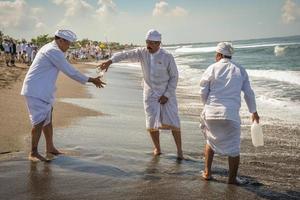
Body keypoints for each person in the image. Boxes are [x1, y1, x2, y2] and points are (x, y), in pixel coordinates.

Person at [21, 30, 105, 162]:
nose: (69, 47)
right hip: (36, 90)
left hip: (42, 89)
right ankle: (33, 152)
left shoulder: (51, 48)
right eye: (68, 44)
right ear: (60, 40)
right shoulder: (53, 51)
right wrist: (91, 80)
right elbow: (70, 71)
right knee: (38, 121)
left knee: (47, 118)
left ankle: (50, 148)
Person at [100, 29, 183, 159]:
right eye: (147, 42)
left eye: (151, 43)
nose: (148, 45)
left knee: (174, 121)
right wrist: (110, 61)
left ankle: (180, 151)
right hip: (149, 92)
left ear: (158, 43)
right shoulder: (142, 52)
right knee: (151, 122)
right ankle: (158, 148)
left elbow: (174, 76)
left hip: (167, 92)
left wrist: (167, 94)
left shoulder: (167, 56)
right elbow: (125, 54)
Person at [199, 42, 260, 184]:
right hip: (230, 115)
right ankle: (232, 179)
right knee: (234, 148)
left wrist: (207, 105)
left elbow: (202, 90)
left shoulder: (212, 68)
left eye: (216, 54)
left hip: (211, 112)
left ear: (219, 55)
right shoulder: (240, 69)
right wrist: (254, 112)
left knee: (210, 141)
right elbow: (248, 93)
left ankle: (207, 173)